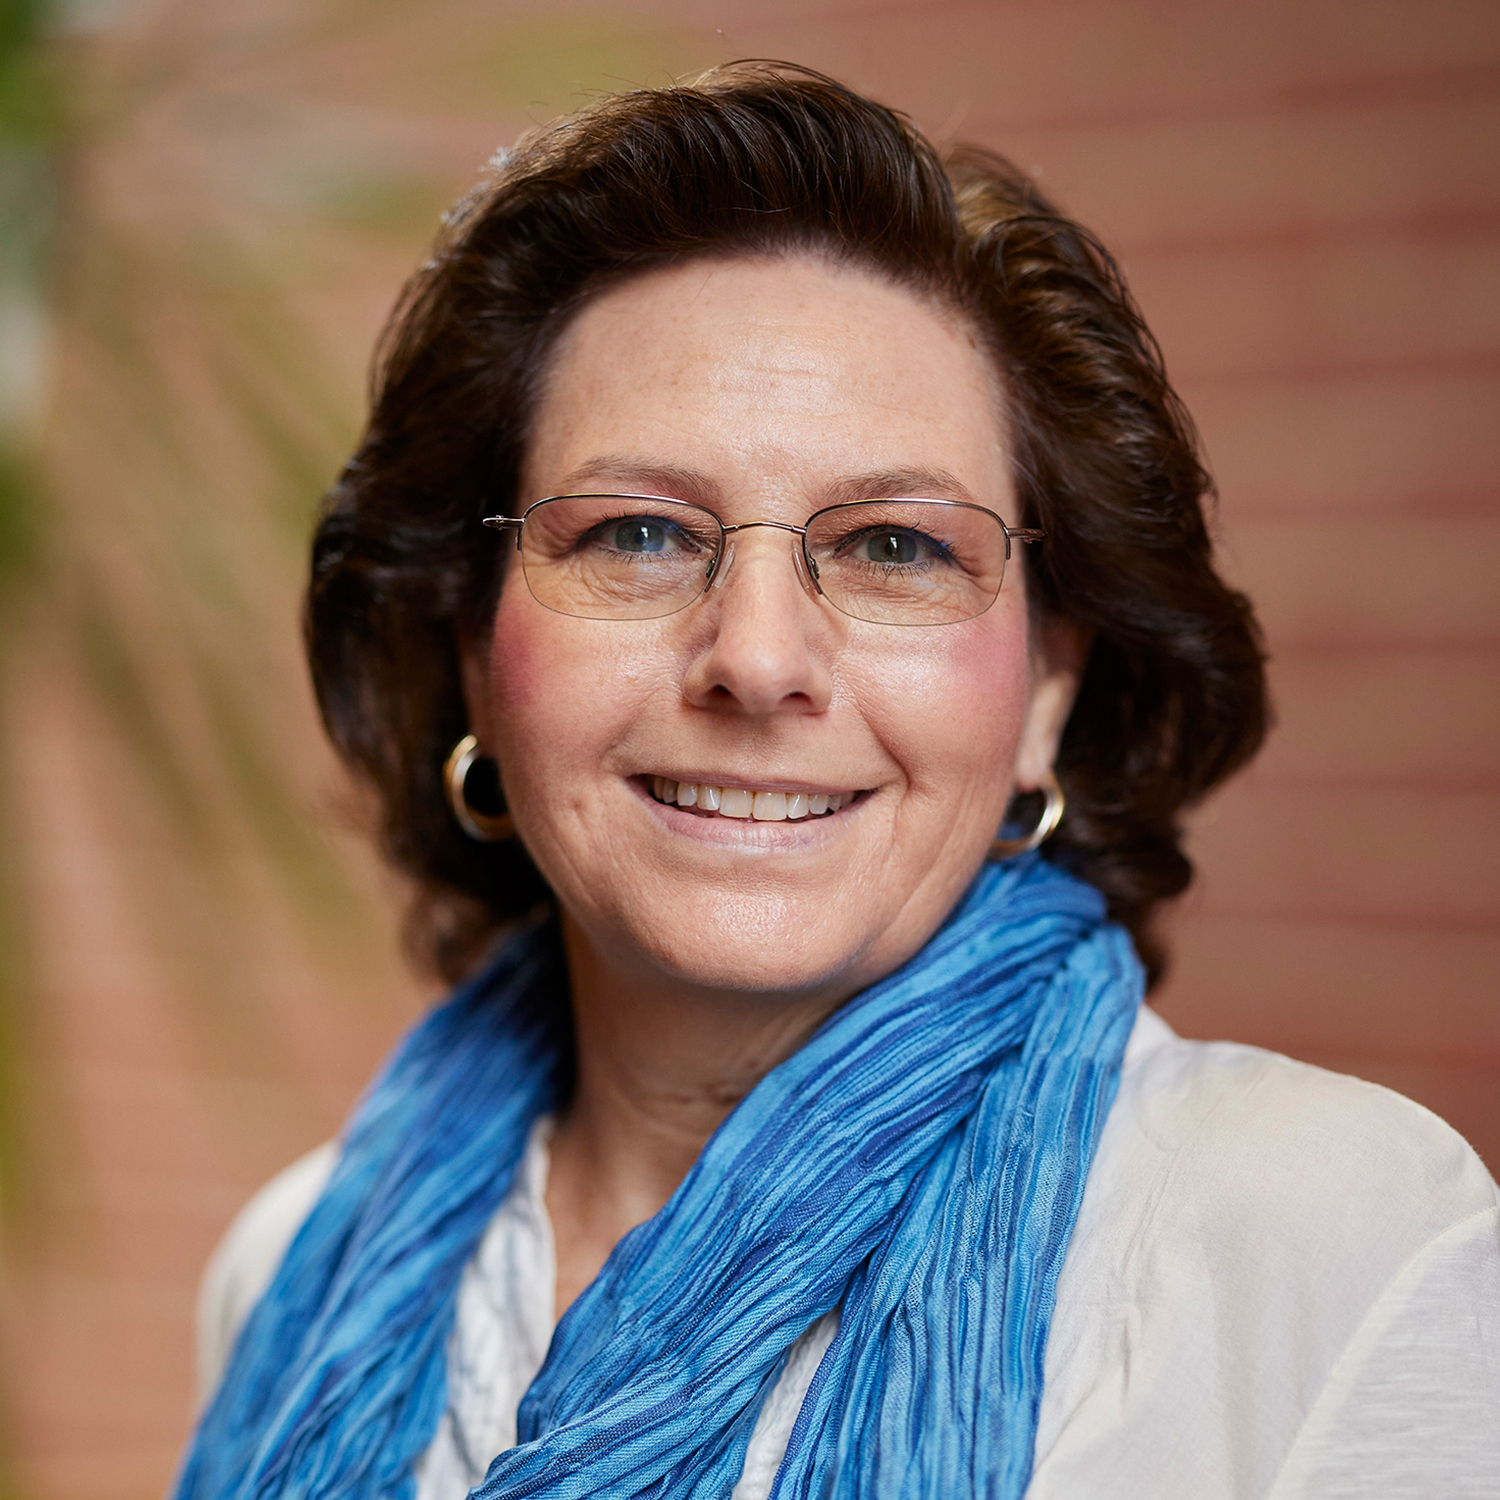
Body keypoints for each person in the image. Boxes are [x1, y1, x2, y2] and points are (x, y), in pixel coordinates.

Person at [175, 63, 1500, 1500]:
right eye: (633, 534)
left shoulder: (1330, 1254)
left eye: (892, 547)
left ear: (1051, 689)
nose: (756, 656)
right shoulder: (293, 1274)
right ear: (476, 657)